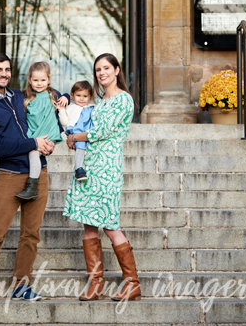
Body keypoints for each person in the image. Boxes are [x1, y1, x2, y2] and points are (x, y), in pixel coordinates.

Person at [0, 53, 55, 302]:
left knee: (31, 234)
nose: (4, 74)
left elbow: (48, 105)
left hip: (39, 172)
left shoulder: (19, 95)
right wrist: (33, 142)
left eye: (7, 69)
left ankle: (21, 285)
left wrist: (47, 142)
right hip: (10, 175)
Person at [63, 53, 139, 303]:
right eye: (98, 69)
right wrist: (72, 135)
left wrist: (76, 138)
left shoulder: (123, 100)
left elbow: (102, 131)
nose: (101, 73)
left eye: (106, 68)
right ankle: (95, 283)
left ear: (117, 70)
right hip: (87, 168)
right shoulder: (97, 101)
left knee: (110, 225)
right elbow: (81, 125)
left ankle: (132, 283)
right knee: (88, 225)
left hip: (107, 169)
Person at [15, 61, 69, 201]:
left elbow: (67, 95)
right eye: (36, 80)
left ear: (49, 80)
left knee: (33, 153)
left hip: (47, 133)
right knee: (29, 153)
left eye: (43, 80)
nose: (39, 83)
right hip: (33, 133)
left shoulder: (53, 95)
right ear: (29, 80)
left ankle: (32, 186)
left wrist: (66, 97)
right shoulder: (26, 97)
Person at [57, 80, 95, 182]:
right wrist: (61, 110)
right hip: (76, 132)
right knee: (81, 147)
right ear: (72, 96)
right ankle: (79, 169)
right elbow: (64, 122)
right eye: (78, 95)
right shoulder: (71, 108)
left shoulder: (92, 108)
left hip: (88, 133)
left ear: (90, 97)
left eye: (85, 96)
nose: (82, 99)